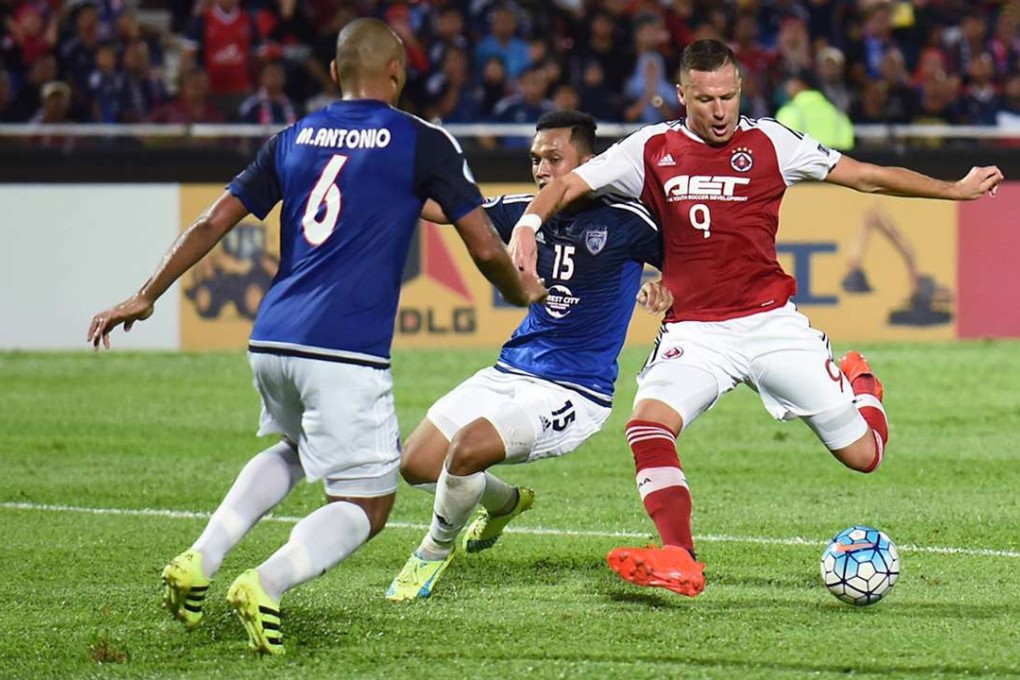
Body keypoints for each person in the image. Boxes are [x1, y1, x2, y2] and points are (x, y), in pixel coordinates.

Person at [86, 18, 545, 655]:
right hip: (344, 350)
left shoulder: (291, 138)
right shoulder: (422, 140)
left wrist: (147, 292)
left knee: (296, 448)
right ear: (399, 72)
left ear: (334, 73)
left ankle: (202, 556)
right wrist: (521, 290)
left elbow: (212, 219)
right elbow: (484, 244)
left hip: (272, 336)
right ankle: (267, 582)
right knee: (369, 505)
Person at [507, 39, 1003, 598]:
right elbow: (570, 184)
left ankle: (862, 383)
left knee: (865, 456)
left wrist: (953, 190)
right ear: (682, 96)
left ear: (740, 88)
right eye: (705, 99)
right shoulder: (650, 146)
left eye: (729, 95)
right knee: (647, 425)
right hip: (696, 330)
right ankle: (679, 556)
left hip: (770, 324)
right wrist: (526, 226)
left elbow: (862, 174)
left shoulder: (770, 141)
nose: (720, 111)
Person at [385, 110, 669, 601]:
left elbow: (695, 265)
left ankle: (432, 551)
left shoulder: (628, 220)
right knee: (417, 465)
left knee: (467, 449)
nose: (541, 169)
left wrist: (668, 287)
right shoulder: (523, 211)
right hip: (511, 369)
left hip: (575, 389)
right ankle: (506, 503)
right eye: (536, 158)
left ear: (589, 161)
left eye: (554, 158)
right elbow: (445, 208)